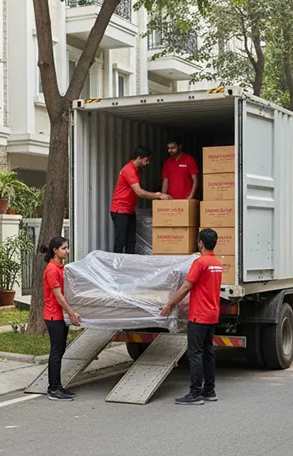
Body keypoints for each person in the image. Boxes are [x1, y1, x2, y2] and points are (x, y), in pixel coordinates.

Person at [160, 228, 222, 405]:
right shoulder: (216, 263)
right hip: (212, 314)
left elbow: (186, 287)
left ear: (200, 243)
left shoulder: (200, 263)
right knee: (208, 352)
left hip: (199, 316)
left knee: (195, 354)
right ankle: (209, 390)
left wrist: (169, 305)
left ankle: (195, 394)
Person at [110, 146, 171, 253]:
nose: (148, 163)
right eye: (146, 160)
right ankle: (115, 267)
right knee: (120, 241)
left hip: (129, 209)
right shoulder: (129, 170)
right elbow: (139, 192)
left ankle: (129, 265)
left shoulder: (136, 170)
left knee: (131, 241)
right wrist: (158, 196)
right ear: (139, 158)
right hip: (120, 210)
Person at [41, 236, 81, 401]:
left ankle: (58, 386)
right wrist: (71, 313)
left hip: (59, 316)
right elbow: (58, 297)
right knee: (56, 351)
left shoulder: (60, 267)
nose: (67, 251)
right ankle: (53, 389)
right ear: (55, 250)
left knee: (60, 350)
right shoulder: (51, 269)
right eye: (64, 248)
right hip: (53, 316)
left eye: (67, 247)